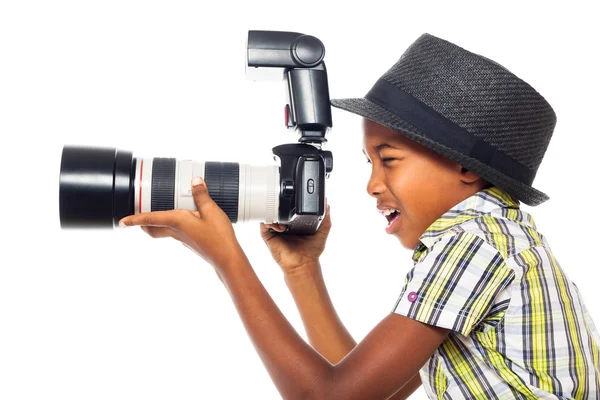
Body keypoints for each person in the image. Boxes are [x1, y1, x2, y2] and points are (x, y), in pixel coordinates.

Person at [118, 33, 600, 399]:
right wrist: (302, 270)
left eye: (388, 160)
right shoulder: (500, 233)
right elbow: (370, 388)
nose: (371, 184)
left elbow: (330, 397)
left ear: (465, 169)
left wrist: (227, 260)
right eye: (369, 163)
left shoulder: (472, 243)